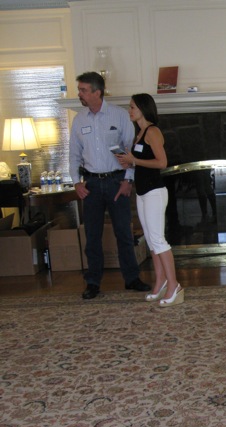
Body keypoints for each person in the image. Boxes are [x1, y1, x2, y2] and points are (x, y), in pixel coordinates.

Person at [69, 72, 151, 300]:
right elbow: (74, 154)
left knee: (124, 233)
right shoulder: (79, 120)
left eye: (83, 90)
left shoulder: (119, 115)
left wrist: (128, 180)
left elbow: (131, 150)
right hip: (91, 184)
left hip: (117, 181)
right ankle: (93, 282)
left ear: (97, 92)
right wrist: (76, 182)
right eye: (80, 90)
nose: (79, 94)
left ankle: (132, 278)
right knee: (92, 236)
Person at [116, 93, 184, 307]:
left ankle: (174, 285)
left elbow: (162, 162)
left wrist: (134, 160)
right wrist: (130, 162)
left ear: (143, 109)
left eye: (132, 107)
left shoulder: (152, 131)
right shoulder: (139, 134)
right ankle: (160, 282)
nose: (129, 111)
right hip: (143, 192)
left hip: (155, 191)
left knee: (158, 239)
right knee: (151, 240)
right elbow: (143, 161)